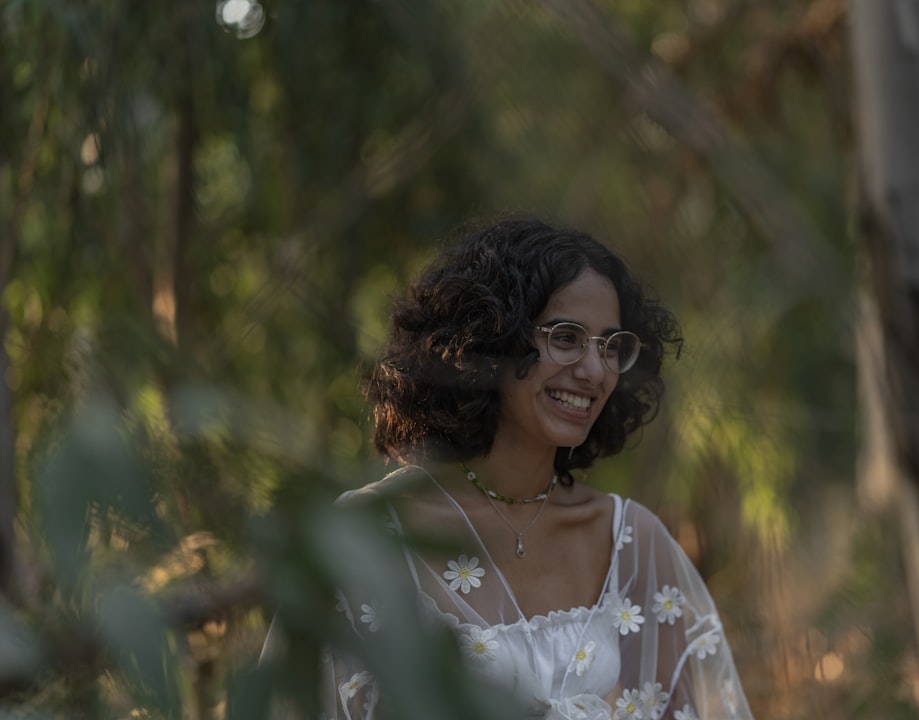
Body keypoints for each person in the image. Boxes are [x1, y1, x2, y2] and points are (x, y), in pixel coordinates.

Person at [270, 217, 754, 720]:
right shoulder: (371, 535)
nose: (594, 370)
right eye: (566, 337)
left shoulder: (630, 542)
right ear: (490, 338)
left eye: (610, 346)